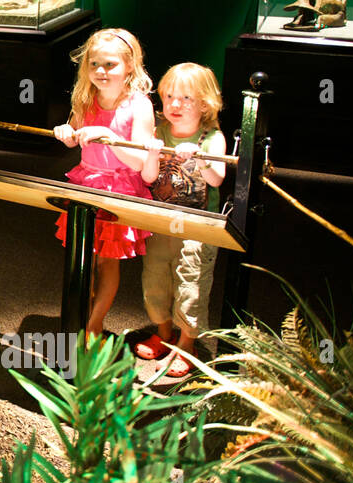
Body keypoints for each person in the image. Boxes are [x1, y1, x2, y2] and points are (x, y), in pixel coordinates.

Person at [53, 28, 156, 337]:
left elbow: (139, 162)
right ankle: (81, 318)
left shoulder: (139, 105)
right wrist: (64, 132)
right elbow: (75, 135)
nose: (100, 71)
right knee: (83, 258)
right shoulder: (85, 99)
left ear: (130, 65)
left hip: (120, 189)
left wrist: (110, 139)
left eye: (110, 64)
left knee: (108, 263)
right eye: (94, 64)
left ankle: (94, 324)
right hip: (86, 184)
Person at [137, 63, 227, 377]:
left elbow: (217, 179)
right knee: (155, 277)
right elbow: (148, 177)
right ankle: (164, 333)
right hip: (161, 220)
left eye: (186, 98)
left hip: (197, 226)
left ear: (205, 104)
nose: (175, 104)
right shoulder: (158, 133)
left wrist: (201, 158)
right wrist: (151, 152)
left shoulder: (211, 136)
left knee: (192, 282)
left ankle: (186, 345)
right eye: (170, 96)